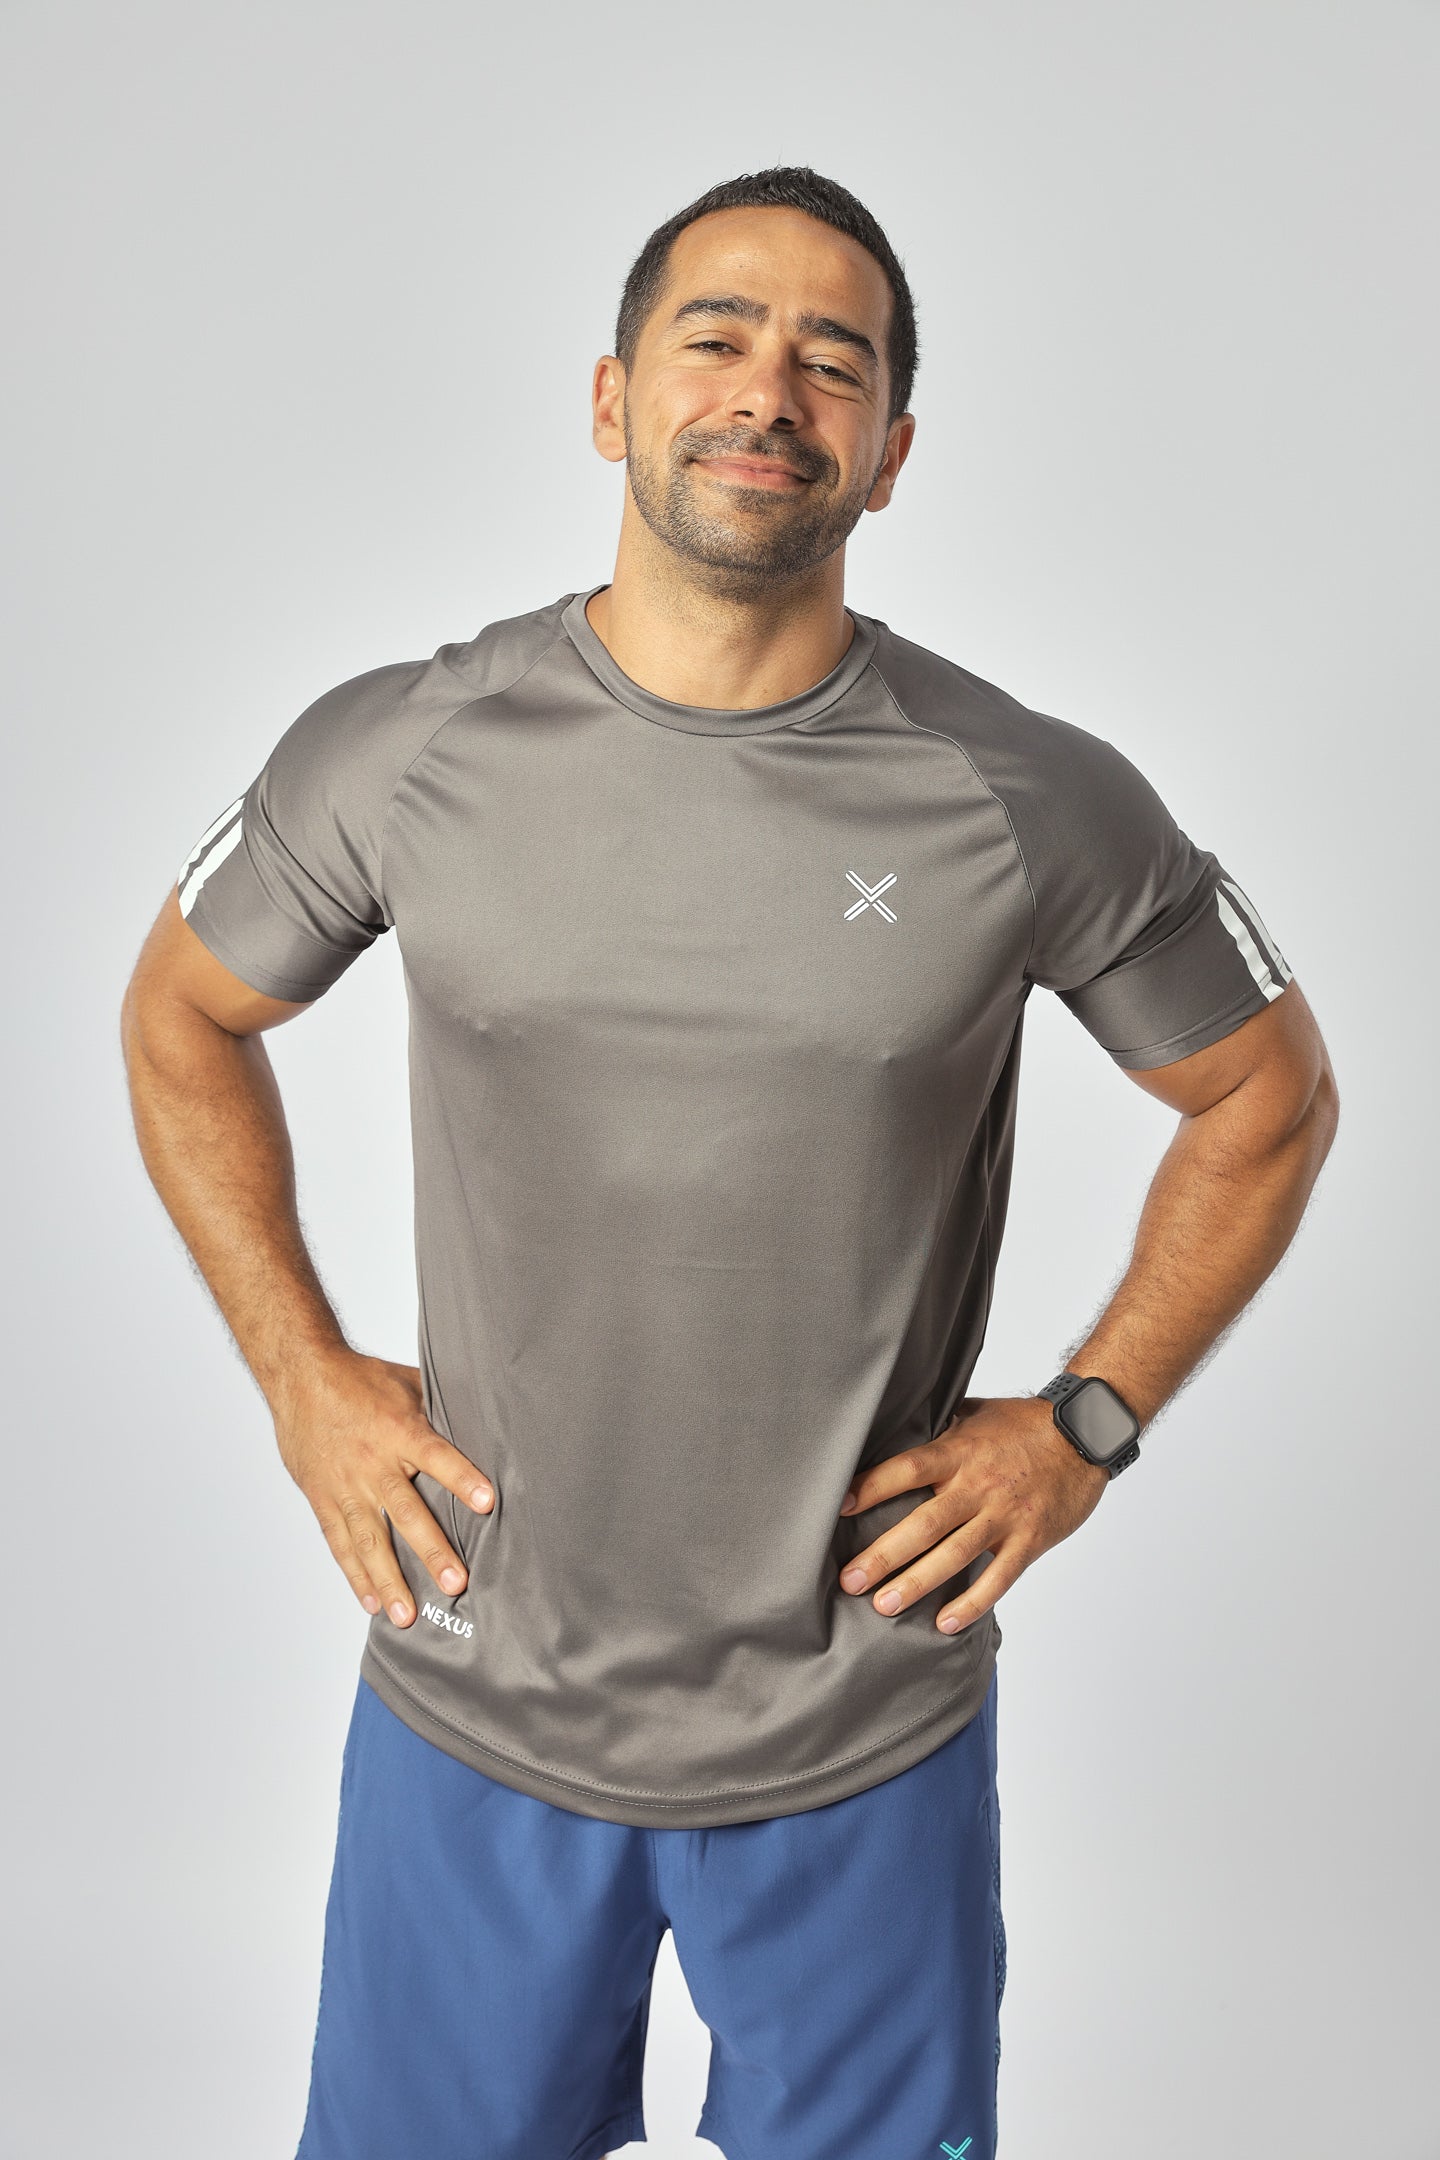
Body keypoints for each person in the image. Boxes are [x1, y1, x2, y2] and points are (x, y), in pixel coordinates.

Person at [120, 166, 1339, 2160]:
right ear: (612, 399)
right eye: (719, 338)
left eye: (832, 362)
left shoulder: (1022, 796)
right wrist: (299, 1376)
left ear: (891, 452)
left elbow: (1266, 1098)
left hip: (859, 1729)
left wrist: (1085, 1425)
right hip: (478, 1705)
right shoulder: (410, 749)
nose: (771, 390)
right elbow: (181, 1015)